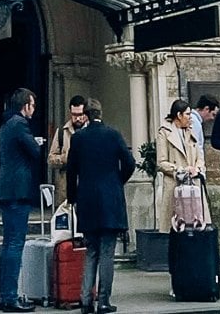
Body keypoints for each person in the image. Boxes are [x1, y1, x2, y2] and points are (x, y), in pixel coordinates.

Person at [65, 99, 135, 314]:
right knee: (107, 253)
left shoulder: (78, 138)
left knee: (91, 252)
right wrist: (117, 181)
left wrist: (72, 198)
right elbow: (130, 162)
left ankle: (86, 300)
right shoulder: (112, 134)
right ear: (100, 113)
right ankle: (103, 300)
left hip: (87, 199)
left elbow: (71, 171)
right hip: (110, 200)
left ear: (85, 115)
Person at [0, 86, 44, 313]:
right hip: (17, 189)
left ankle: (7, 294)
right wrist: (38, 142)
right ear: (26, 105)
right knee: (15, 243)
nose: (33, 109)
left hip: (8, 188)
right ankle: (9, 297)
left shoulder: (7, 124)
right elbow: (34, 151)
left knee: (8, 244)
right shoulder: (19, 123)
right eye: (32, 105)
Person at [154, 98, 210, 232]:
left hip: (194, 185)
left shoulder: (191, 131)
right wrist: (181, 169)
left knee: (196, 226)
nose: (190, 117)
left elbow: (199, 155)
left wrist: (198, 168)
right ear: (179, 115)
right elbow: (161, 162)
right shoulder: (164, 132)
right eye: (188, 114)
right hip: (175, 185)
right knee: (175, 227)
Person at [47, 94, 89, 207]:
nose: (78, 118)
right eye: (74, 115)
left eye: (80, 114)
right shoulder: (62, 132)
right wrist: (66, 158)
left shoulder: (91, 131)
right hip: (66, 187)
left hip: (87, 183)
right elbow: (51, 158)